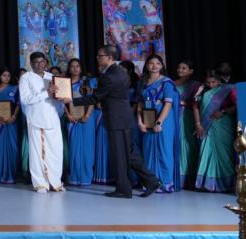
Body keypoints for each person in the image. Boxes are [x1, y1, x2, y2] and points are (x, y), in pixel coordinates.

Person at [75, 46, 161, 199]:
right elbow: (109, 94)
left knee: (120, 154)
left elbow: (95, 98)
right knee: (129, 153)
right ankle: (151, 181)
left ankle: (124, 189)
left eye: (100, 55)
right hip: (123, 117)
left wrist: (71, 101)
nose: (97, 58)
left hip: (116, 119)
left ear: (109, 57)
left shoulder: (109, 75)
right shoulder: (121, 72)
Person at [19, 52, 65, 193]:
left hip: (53, 118)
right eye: (36, 62)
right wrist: (46, 92)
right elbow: (25, 99)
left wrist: (62, 98)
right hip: (37, 119)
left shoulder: (52, 77)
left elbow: (58, 100)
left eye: (42, 61)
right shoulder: (26, 78)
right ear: (31, 64)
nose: (40, 64)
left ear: (46, 62)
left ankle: (55, 182)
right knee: (37, 153)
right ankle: (40, 183)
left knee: (56, 152)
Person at [137, 54, 180, 192]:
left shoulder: (166, 83)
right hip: (147, 119)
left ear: (162, 66)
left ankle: (165, 183)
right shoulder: (143, 82)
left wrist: (159, 122)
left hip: (164, 121)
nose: (154, 66)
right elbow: (140, 105)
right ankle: (150, 182)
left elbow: (168, 104)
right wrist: (140, 122)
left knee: (164, 150)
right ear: (147, 66)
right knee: (148, 151)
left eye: (157, 63)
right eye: (151, 63)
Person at [193, 69, 237, 192]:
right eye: (208, 82)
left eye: (213, 82)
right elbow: (195, 107)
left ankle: (227, 184)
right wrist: (198, 124)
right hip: (205, 126)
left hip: (223, 124)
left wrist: (223, 111)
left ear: (219, 81)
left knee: (224, 154)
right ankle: (207, 184)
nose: (210, 85)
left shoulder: (228, 89)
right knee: (205, 152)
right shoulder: (201, 90)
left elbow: (238, 105)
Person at [65, 59, 96, 187]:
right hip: (71, 119)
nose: (75, 68)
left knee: (87, 147)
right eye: (72, 66)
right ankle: (74, 177)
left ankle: (86, 178)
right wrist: (68, 115)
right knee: (73, 148)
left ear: (81, 68)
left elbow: (93, 100)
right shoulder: (65, 83)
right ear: (69, 69)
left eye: (77, 66)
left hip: (87, 118)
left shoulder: (88, 82)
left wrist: (87, 114)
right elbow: (62, 102)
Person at [0, 67, 20, 184]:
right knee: (0, 149)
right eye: (4, 75)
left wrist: (14, 116)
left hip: (11, 122)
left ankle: (11, 175)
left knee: (12, 148)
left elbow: (18, 104)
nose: (6, 78)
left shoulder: (15, 88)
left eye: (8, 76)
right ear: (0, 76)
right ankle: (0, 175)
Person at [175, 60, 201, 189]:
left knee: (188, 144)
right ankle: (177, 177)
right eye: (179, 67)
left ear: (191, 71)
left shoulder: (196, 85)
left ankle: (189, 178)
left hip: (188, 118)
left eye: (184, 68)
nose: (180, 70)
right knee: (176, 144)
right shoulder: (171, 83)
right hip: (173, 117)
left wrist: (185, 103)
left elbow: (199, 102)